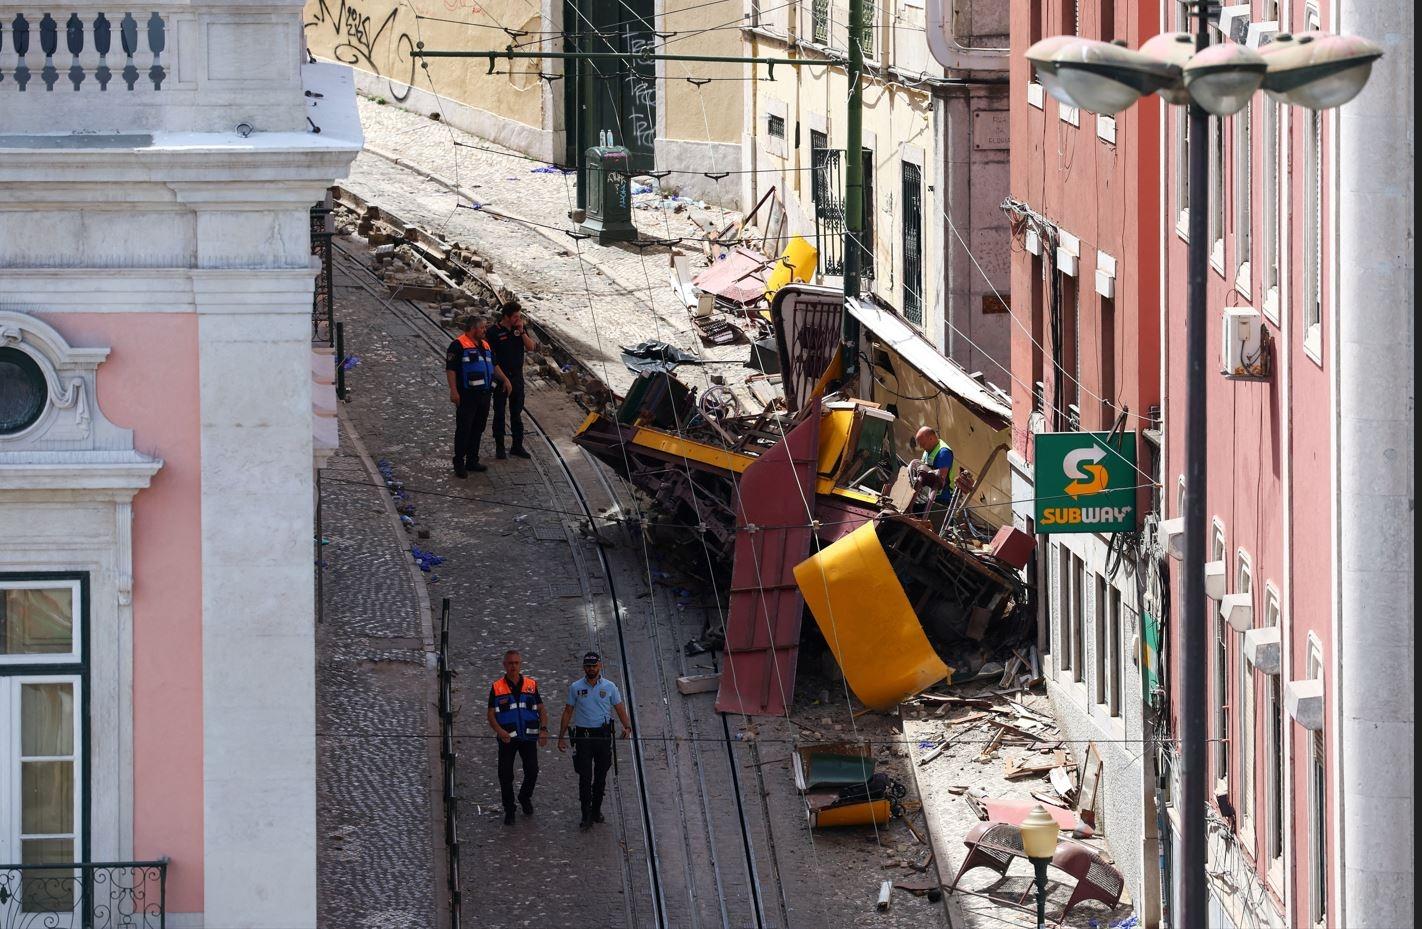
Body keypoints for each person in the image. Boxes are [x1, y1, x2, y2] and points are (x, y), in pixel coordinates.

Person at [556, 651, 632, 831]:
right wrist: (561, 736)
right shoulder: (575, 687)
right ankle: (585, 814)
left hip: (603, 736)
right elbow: (568, 711)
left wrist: (627, 726)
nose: (591, 669)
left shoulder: (610, 686)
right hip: (583, 737)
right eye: (588, 666)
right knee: (584, 776)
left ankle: (596, 810)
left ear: (600, 666)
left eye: (594, 666)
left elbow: (619, 708)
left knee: (600, 776)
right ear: (584, 668)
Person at [486, 650, 548, 826]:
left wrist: (543, 729)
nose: (513, 666)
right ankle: (509, 809)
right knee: (505, 775)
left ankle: (524, 796)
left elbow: (541, 709)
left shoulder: (531, 685)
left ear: (520, 664)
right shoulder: (497, 687)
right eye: (510, 663)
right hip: (507, 739)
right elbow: (490, 715)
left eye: (516, 663)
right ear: (504, 665)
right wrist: (499, 731)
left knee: (532, 770)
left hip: (528, 737)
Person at [446, 315, 512, 477]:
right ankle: (459, 462)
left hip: (484, 395)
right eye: (482, 328)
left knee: (478, 428)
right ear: (474, 328)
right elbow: (451, 370)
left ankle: (472, 460)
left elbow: (493, 365)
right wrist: (453, 391)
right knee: (464, 429)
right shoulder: (457, 345)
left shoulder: (485, 345)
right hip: (467, 395)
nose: (485, 330)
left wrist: (505, 379)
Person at [488, 305, 537, 460]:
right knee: (500, 413)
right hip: (501, 378)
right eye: (515, 316)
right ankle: (500, 447)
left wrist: (522, 331)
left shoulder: (519, 330)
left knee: (516, 413)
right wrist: (503, 379)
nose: (518, 319)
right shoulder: (493, 332)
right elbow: (492, 359)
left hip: (517, 377)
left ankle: (517, 446)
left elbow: (530, 347)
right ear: (507, 316)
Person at [914, 426, 959, 519]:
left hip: (940, 499)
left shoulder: (944, 452)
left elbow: (941, 478)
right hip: (926, 495)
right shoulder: (929, 449)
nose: (922, 447)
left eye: (923, 444)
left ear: (931, 438)